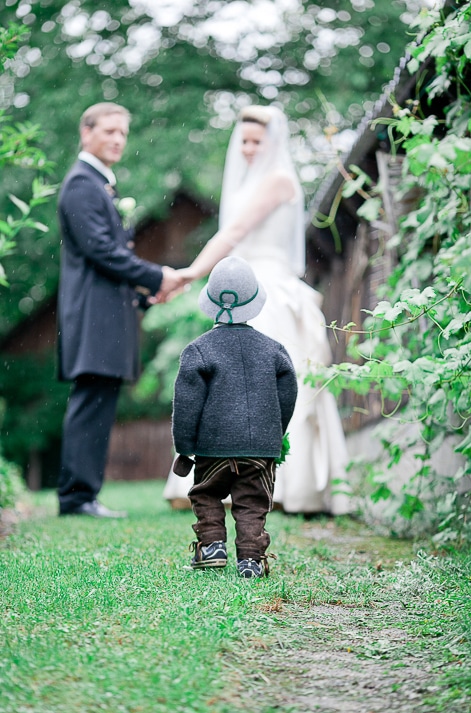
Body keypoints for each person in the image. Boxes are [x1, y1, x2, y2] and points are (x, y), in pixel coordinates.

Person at [162, 105, 350, 515]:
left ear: (273, 143)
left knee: (275, 385)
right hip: (246, 283)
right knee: (229, 389)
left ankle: (285, 486)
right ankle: (224, 476)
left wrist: (191, 273)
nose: (248, 149)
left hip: (269, 289)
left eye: (256, 142)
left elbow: (233, 233)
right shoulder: (251, 183)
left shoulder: (278, 181)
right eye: (243, 141)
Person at [57, 102, 184, 518]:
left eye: (122, 133)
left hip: (108, 313)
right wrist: (157, 276)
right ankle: (76, 498)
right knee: (91, 401)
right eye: (108, 131)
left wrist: (146, 294)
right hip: (93, 317)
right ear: (86, 132)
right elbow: (102, 252)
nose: (116, 139)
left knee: (100, 401)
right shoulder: (81, 185)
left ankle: (83, 495)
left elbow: (109, 258)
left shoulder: (100, 185)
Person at [172, 256, 296, 578]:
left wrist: (185, 446)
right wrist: (275, 433)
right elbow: (288, 394)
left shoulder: (198, 351)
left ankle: (212, 545)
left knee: (207, 493)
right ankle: (251, 559)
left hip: (213, 447)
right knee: (252, 502)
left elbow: (186, 404)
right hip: (260, 451)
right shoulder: (275, 350)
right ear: (254, 304)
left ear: (210, 304)